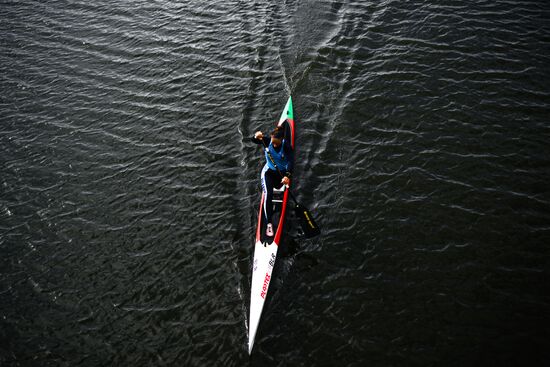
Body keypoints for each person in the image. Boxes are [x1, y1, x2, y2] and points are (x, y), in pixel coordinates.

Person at [251, 125, 293, 237]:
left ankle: (280, 184)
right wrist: (256, 136)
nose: (274, 144)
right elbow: (253, 140)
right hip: (268, 173)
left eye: (276, 143)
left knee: (279, 186)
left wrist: (287, 176)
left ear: (281, 140)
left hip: (281, 174)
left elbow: (290, 162)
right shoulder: (267, 141)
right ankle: (269, 223)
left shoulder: (286, 146)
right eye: (272, 142)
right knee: (268, 194)